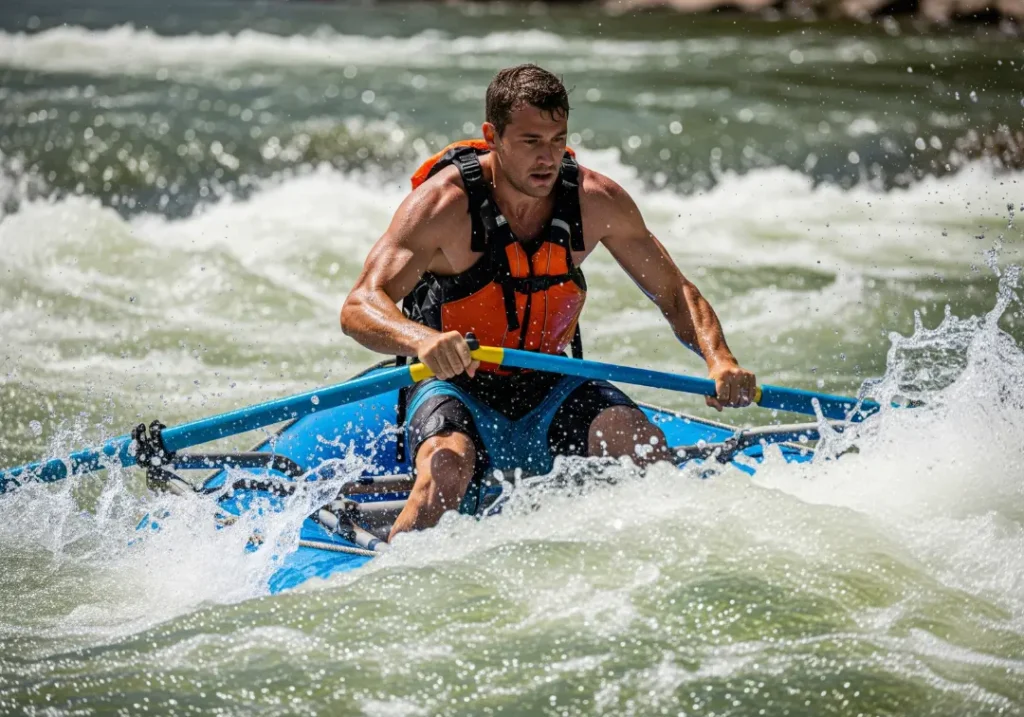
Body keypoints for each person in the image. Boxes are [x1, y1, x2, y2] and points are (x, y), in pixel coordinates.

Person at [341, 64, 756, 542]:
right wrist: (424, 340)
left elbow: (677, 293)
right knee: (447, 471)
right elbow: (359, 305)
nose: (548, 158)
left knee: (641, 444)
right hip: (455, 385)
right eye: (531, 141)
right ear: (492, 136)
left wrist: (719, 359)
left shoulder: (595, 201)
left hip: (548, 381)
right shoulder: (443, 206)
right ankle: (398, 581)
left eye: (558, 139)